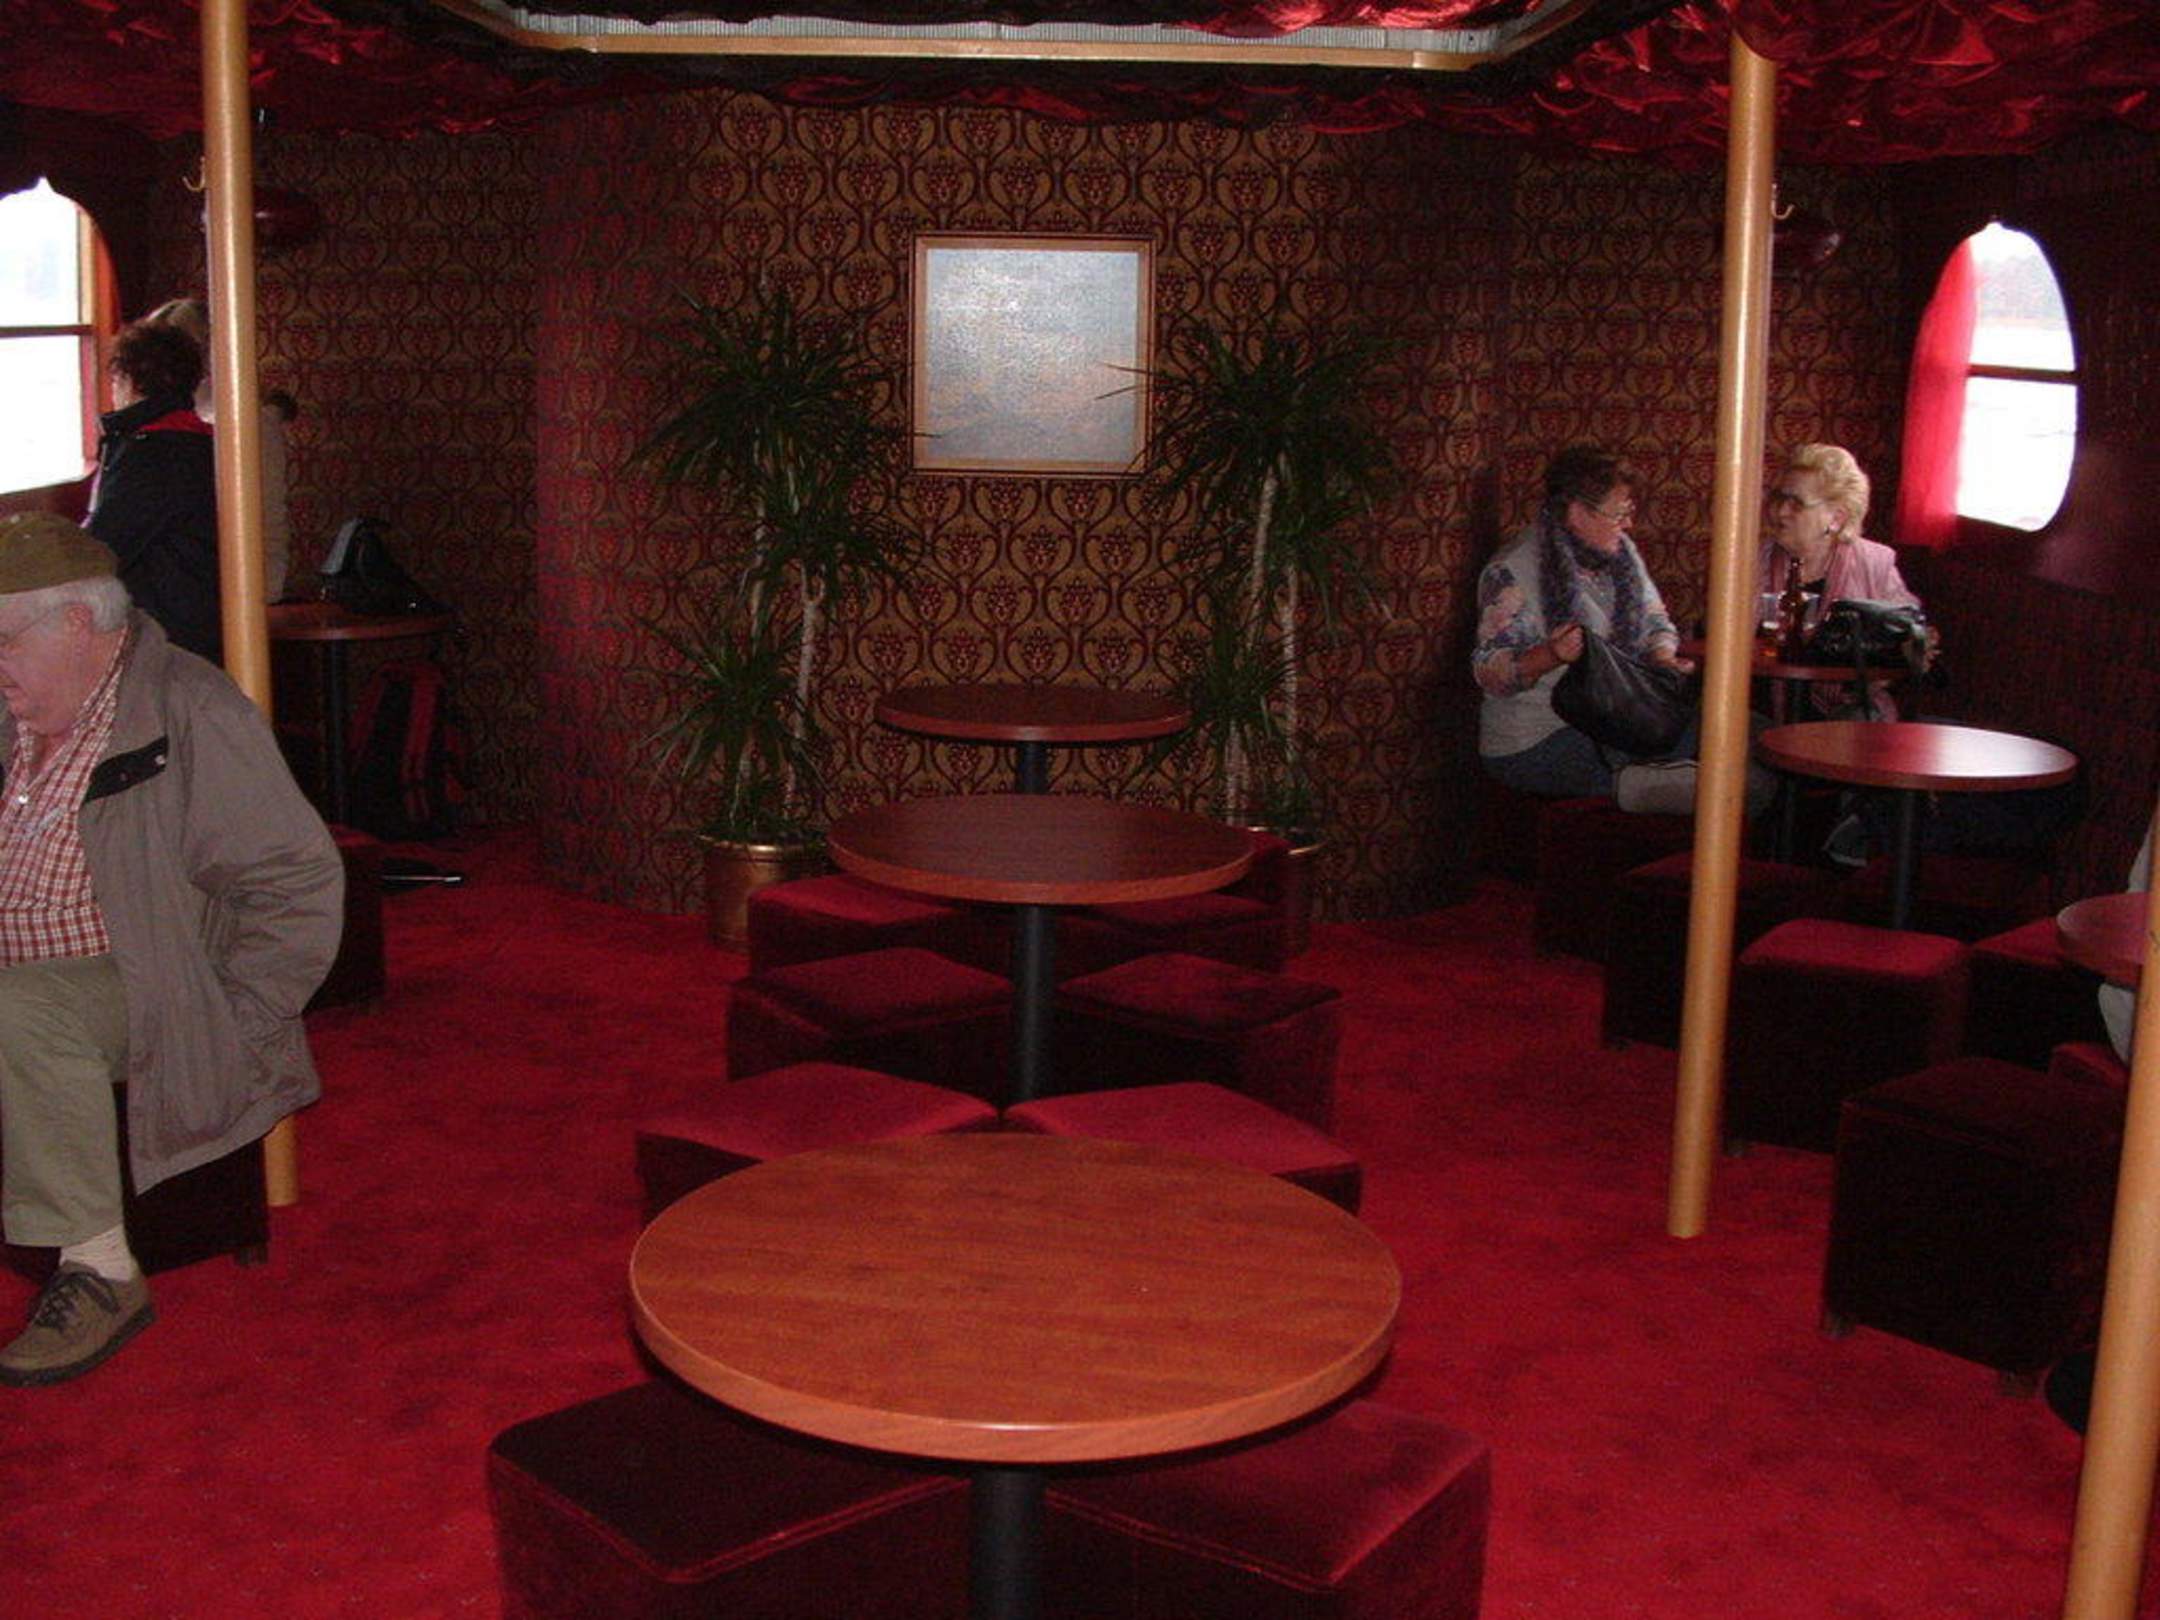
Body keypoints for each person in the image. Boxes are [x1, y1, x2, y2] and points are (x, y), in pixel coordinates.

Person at [0, 513, 342, 1387]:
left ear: (78, 623)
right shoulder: (21, 709)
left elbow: (294, 882)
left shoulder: (188, 710)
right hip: (29, 973)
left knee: (20, 1010)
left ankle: (100, 1267)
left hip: (141, 983)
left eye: (4, 641)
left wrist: (235, 1020)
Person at [1472, 445, 1699, 807]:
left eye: (1629, 512)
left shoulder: (1621, 553)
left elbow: (1655, 620)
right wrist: (1551, 654)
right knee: (1713, 771)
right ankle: (1644, 783)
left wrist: (1662, 659)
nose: (1628, 524)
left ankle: (1648, 781)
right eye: (1618, 514)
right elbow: (1491, 674)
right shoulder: (1513, 570)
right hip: (1538, 738)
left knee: (1729, 735)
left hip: (1617, 714)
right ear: (1577, 513)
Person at [86, 317, 223, 662]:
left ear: (128, 379)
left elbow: (105, 545)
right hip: (201, 615)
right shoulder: (200, 442)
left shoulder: (150, 453)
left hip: (166, 631)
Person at [1758, 443, 1926, 720]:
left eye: (1796, 503)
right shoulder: (1749, 562)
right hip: (1758, 715)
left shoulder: (1874, 564)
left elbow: (1910, 639)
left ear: (1836, 519)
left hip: (1844, 719)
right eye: (1779, 498)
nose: (1781, 511)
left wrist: (1912, 648)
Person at [145, 296, 293, 602]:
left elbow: (267, 520)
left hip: (232, 587)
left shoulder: (248, 424)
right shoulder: (159, 419)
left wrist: (257, 592)